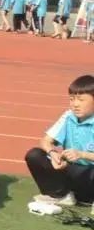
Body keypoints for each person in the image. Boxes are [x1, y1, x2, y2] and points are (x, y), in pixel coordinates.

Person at [25, 74, 94, 207]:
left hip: (90, 175)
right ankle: (62, 195)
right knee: (35, 155)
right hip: (71, 171)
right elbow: (45, 141)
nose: (75, 104)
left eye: (81, 99)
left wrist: (82, 154)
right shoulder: (68, 116)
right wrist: (52, 153)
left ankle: (87, 198)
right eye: (72, 99)